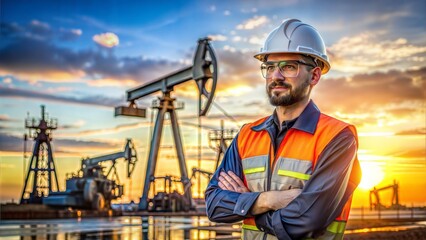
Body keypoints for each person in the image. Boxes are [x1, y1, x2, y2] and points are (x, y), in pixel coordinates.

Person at [205, 18, 362, 240]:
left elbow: (306, 221)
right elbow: (214, 205)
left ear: (314, 75)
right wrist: (267, 200)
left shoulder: (337, 137)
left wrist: (248, 207)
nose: (276, 76)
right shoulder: (247, 136)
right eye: (269, 67)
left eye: (289, 66)